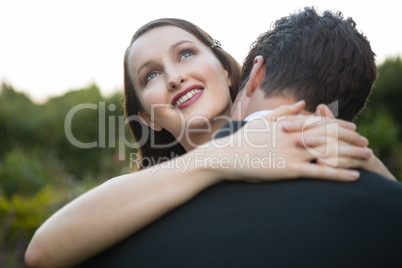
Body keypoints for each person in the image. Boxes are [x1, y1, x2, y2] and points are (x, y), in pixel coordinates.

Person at [25, 14, 393, 268]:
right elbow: (41, 253)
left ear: (231, 73)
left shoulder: (314, 154)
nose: (174, 77)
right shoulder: (128, 201)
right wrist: (220, 155)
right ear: (149, 117)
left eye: (185, 53)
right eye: (150, 75)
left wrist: (373, 165)